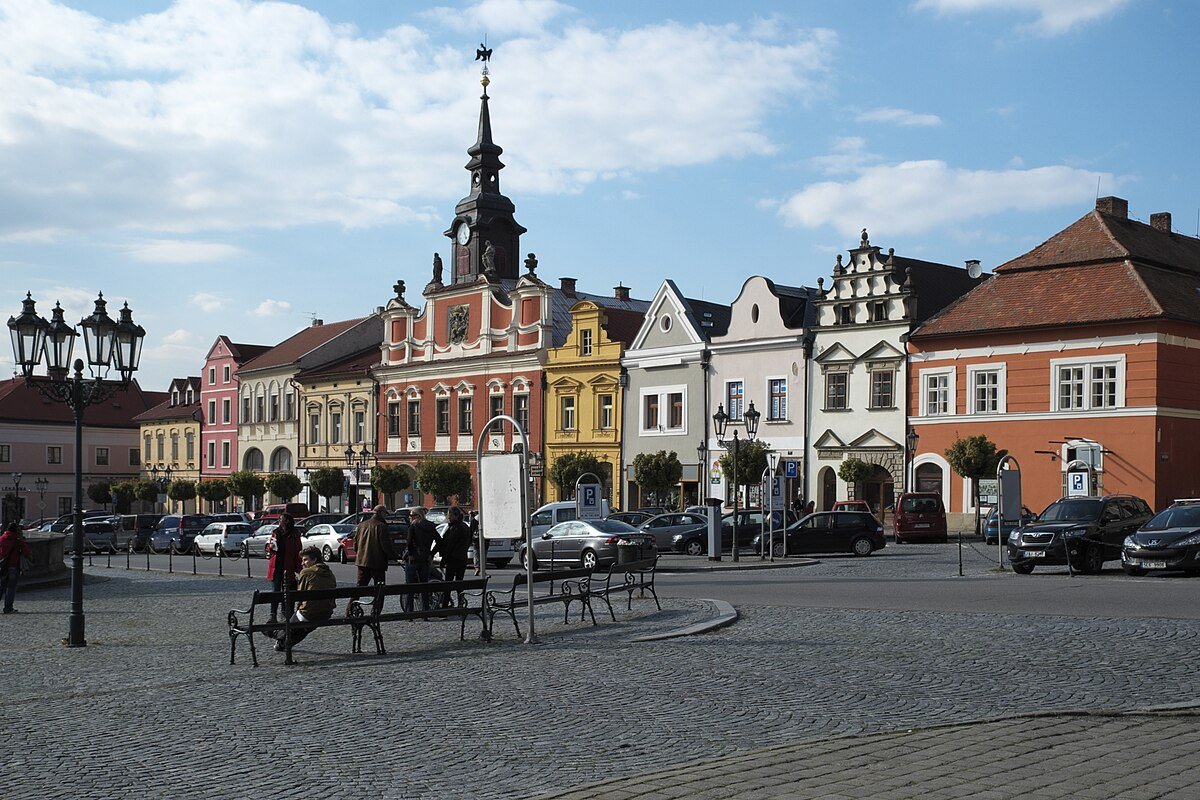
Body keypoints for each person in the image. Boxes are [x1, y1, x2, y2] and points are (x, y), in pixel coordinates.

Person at [274, 545, 337, 652]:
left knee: (297, 623)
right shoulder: (330, 573)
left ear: (314, 559)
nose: (302, 563)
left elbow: (300, 594)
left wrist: (299, 610)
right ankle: (281, 642)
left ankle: (278, 637)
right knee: (303, 628)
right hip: (326, 612)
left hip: (309, 613)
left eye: (305, 560)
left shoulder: (306, 572)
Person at [266, 513, 302, 623]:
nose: (278, 521)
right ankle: (273, 615)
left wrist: (298, 569)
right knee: (276, 591)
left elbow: (298, 552)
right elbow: (269, 547)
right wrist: (270, 547)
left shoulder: (294, 534)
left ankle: (286, 613)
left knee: (288, 591)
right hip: (276, 566)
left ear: (286, 521)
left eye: (280, 519)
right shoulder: (276, 532)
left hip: (289, 567)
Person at [405, 507, 441, 612]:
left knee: (410, 586)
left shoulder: (413, 526)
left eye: (411, 515)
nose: (409, 517)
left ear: (418, 516)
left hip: (413, 558)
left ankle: (409, 612)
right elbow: (440, 541)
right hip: (425, 558)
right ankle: (426, 611)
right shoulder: (431, 526)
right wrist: (431, 553)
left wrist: (411, 554)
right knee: (424, 586)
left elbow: (409, 542)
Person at [439, 507, 472, 608]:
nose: (448, 517)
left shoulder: (455, 528)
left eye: (450, 515)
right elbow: (469, 541)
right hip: (462, 558)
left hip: (453, 559)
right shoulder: (465, 526)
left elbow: (449, 546)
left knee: (448, 583)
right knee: (459, 582)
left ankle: (445, 605)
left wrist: (443, 560)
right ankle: (460, 604)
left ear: (455, 516)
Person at [354, 504, 393, 588]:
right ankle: (378, 602)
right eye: (385, 513)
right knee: (379, 589)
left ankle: (352, 601)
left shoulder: (361, 525)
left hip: (362, 562)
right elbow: (385, 545)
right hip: (377, 562)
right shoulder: (382, 526)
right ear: (381, 513)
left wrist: (359, 554)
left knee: (359, 588)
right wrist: (394, 556)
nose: (386, 516)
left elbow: (356, 544)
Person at [0, 521, 32, 614]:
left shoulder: (2, 538)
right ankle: (8, 608)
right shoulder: (18, 540)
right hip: (14, 566)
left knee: (1, 587)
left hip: (3, 565)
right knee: (11, 588)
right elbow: (26, 552)